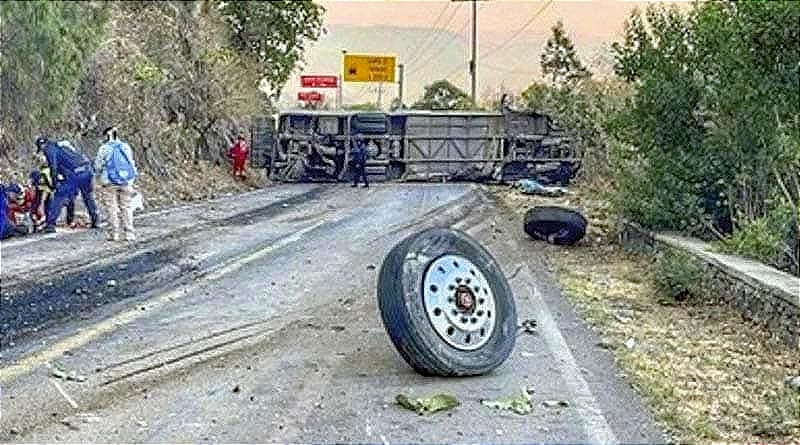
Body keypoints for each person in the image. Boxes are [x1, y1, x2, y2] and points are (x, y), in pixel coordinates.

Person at [36, 136, 99, 233]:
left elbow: (53, 167)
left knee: (59, 196)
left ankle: (50, 225)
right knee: (87, 196)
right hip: (87, 170)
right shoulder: (63, 146)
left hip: (75, 173)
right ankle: (95, 220)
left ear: (42, 146)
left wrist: (54, 184)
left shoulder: (49, 149)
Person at [94, 126, 138, 242]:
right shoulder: (125, 146)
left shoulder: (104, 148)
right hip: (126, 181)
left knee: (111, 208)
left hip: (109, 182)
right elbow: (131, 163)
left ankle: (114, 234)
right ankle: (129, 233)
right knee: (126, 207)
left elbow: (97, 166)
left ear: (107, 135)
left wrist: (98, 177)